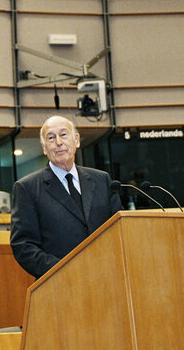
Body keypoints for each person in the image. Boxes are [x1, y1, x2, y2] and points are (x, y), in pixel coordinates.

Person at [10, 115, 122, 279]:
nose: (58, 142)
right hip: (60, 284)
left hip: (106, 277)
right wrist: (64, 270)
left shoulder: (102, 180)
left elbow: (119, 230)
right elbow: (23, 246)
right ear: (44, 148)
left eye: (63, 134)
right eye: (51, 137)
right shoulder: (27, 188)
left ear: (76, 140)